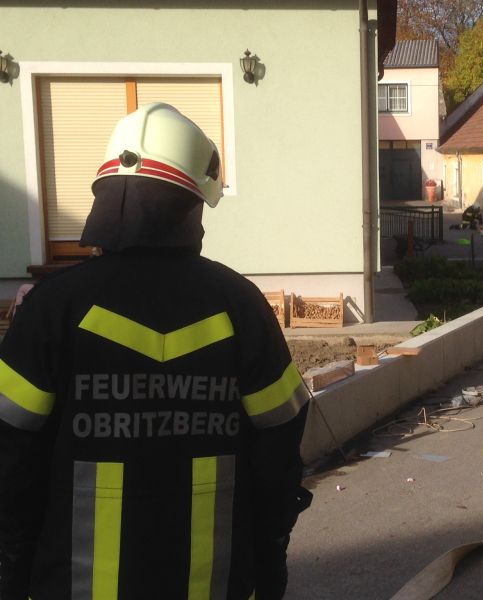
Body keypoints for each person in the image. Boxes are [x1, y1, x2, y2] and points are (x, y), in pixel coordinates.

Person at [0, 103, 311, 599]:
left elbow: (12, 466)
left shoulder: (52, 309)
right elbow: (278, 458)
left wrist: (13, 577)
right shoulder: (240, 305)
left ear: (106, 197)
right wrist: (270, 569)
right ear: (191, 205)